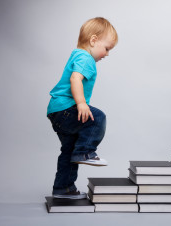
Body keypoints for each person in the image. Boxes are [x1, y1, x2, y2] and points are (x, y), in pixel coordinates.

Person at [47, 17, 118, 199]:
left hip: (56, 111)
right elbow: (75, 79)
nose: (107, 54)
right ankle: (85, 152)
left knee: (69, 151)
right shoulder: (86, 57)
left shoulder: (77, 54)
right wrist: (81, 103)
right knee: (98, 118)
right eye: (107, 48)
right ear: (93, 40)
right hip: (66, 108)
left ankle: (63, 189)